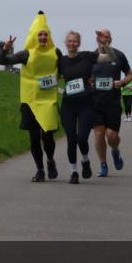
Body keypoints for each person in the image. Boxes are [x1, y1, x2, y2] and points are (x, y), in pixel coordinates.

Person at [0, 12, 60, 183]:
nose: (42, 37)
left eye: (45, 34)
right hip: (30, 101)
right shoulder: (26, 54)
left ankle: (50, 160)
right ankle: (40, 169)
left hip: (48, 101)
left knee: (47, 137)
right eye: (39, 34)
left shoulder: (56, 53)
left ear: (49, 36)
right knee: (34, 137)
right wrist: (5, 48)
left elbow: (67, 69)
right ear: (34, 36)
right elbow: (2, 61)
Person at [90, 29, 132, 178]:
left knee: (111, 136)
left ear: (111, 39)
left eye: (107, 36)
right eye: (102, 36)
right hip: (95, 102)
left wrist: (121, 82)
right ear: (97, 38)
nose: (104, 38)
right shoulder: (92, 57)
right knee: (99, 134)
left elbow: (130, 75)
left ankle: (115, 151)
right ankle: (103, 164)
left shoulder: (118, 55)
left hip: (113, 102)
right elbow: (86, 78)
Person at [58, 30, 98, 184]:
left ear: (79, 43)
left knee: (82, 138)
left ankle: (85, 160)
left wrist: (104, 44)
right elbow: (54, 76)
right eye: (69, 41)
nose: (72, 43)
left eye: (75, 41)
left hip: (85, 103)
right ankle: (73, 172)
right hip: (68, 104)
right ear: (65, 42)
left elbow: (108, 57)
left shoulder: (87, 56)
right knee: (71, 139)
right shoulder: (61, 61)